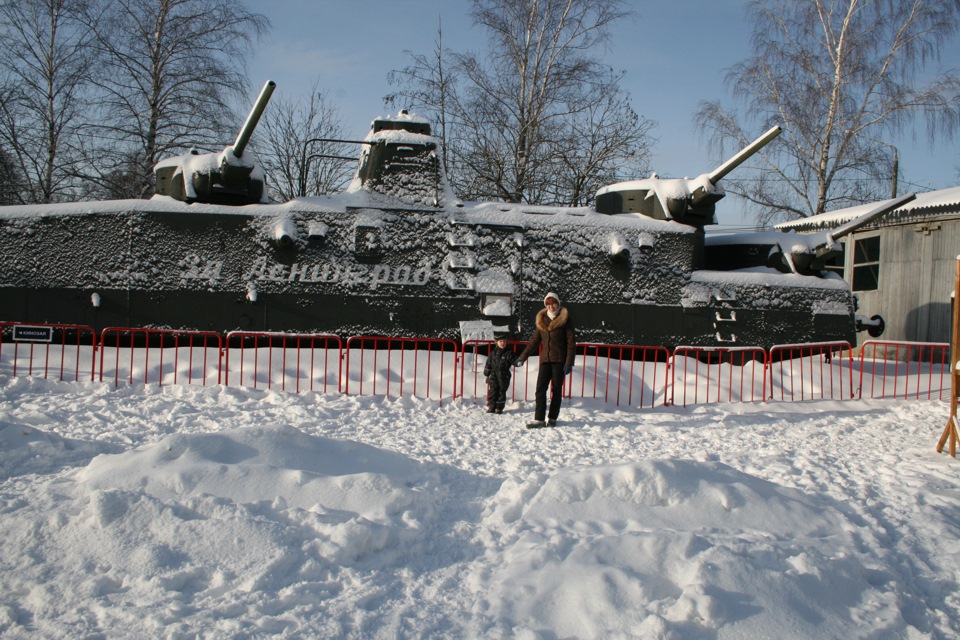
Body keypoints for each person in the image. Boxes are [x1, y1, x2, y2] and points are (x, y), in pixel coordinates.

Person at [515, 292, 575, 428]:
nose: (551, 307)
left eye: (553, 303)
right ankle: (539, 419)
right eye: (548, 304)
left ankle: (552, 417)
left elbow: (571, 343)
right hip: (545, 360)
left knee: (557, 390)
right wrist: (522, 357)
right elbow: (534, 342)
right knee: (540, 389)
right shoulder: (542, 321)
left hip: (559, 361)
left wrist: (569, 362)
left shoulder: (565, 320)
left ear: (558, 304)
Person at [483, 332, 516, 414]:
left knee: (501, 391)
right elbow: (489, 363)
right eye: (500, 341)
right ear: (496, 343)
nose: (502, 343)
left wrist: (517, 362)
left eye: (504, 341)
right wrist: (487, 371)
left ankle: (499, 407)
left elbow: (514, 360)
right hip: (494, 374)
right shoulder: (493, 353)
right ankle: (491, 406)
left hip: (504, 375)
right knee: (493, 390)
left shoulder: (509, 353)